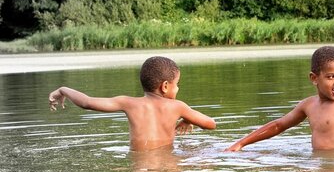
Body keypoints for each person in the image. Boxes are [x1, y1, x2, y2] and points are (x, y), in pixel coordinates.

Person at [226, 46, 334, 152]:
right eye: (331, 77)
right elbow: (278, 126)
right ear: (314, 78)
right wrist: (240, 144)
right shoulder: (308, 105)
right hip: (318, 168)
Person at [49, 56, 216, 151]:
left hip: (139, 167)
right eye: (177, 83)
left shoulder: (128, 103)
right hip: (169, 163)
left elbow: (87, 102)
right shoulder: (178, 107)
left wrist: (63, 90)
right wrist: (188, 118)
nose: (178, 88)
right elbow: (211, 124)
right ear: (165, 86)